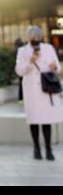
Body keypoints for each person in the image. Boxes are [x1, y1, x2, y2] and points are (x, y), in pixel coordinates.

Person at [15, 26, 63, 160]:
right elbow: (19, 71)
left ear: (41, 37)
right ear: (28, 37)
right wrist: (30, 62)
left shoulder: (48, 48)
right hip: (32, 91)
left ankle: (49, 149)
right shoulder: (23, 51)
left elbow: (57, 67)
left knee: (46, 120)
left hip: (46, 88)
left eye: (38, 37)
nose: (35, 39)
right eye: (33, 37)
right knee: (34, 120)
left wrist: (55, 66)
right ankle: (36, 148)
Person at [14, 37, 25, 103]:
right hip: (22, 69)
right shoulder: (21, 50)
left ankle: (20, 99)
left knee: (21, 84)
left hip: (18, 68)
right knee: (23, 84)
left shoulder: (15, 49)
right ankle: (22, 98)